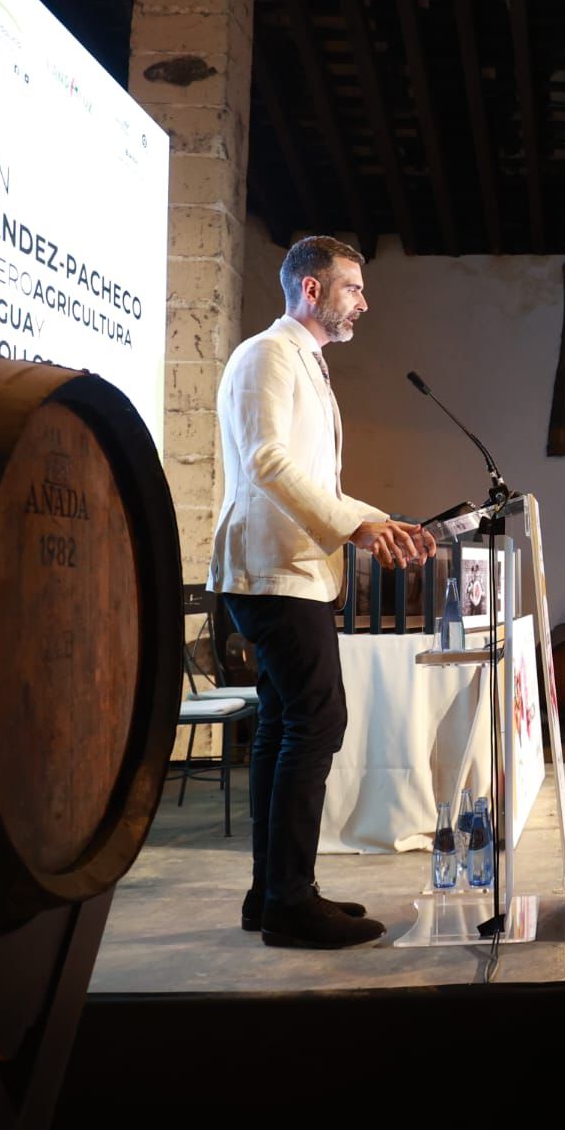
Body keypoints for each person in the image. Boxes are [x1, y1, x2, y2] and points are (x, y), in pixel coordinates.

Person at [212, 235, 435, 949]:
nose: (363, 303)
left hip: (295, 568)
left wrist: (377, 520)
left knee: (286, 725)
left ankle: (273, 892)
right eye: (353, 289)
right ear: (311, 289)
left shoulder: (304, 360)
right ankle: (289, 900)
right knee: (317, 720)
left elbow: (315, 481)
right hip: (273, 569)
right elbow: (267, 462)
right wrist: (356, 526)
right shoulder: (268, 354)